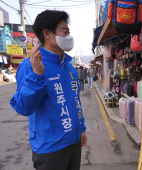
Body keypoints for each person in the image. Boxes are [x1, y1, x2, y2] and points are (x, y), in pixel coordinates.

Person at [10, 10, 87, 170]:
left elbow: (75, 102)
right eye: (64, 31)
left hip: (74, 142)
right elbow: (23, 107)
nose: (69, 36)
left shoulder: (69, 67)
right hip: (50, 149)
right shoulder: (30, 66)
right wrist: (38, 75)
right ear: (47, 34)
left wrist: (82, 129)